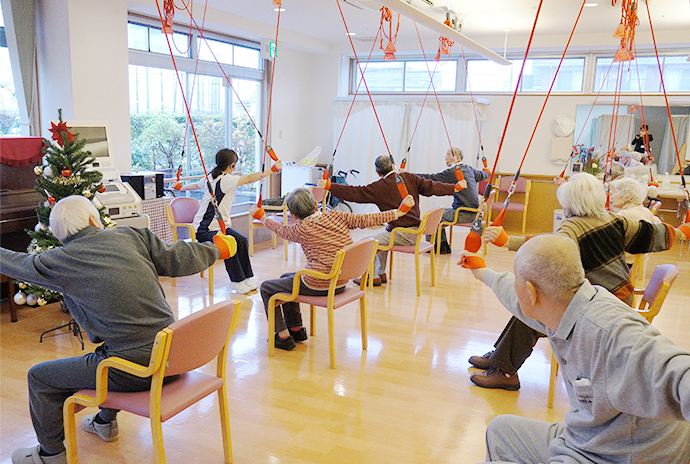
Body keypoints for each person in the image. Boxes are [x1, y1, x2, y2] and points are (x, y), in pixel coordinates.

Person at [1, 195, 232, 464]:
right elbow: (179, 257)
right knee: (111, 351)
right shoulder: (131, 236)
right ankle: (104, 422)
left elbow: (15, 263)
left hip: (136, 370)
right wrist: (216, 250)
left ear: (58, 234)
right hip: (175, 356)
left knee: (41, 377)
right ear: (93, 219)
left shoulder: (60, 260)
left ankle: (50, 455)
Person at [462, 234, 690, 464]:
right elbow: (513, 295)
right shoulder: (562, 303)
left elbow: (682, 375)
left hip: (623, 455)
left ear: (531, 292)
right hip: (591, 438)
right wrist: (482, 272)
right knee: (501, 430)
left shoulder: (611, 333)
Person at [467, 173, 686, 390]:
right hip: (619, 300)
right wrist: (682, 232)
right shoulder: (615, 220)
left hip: (600, 311)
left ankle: (505, 371)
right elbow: (653, 233)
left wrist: (507, 241)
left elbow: (544, 248)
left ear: (570, 204)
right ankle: (500, 358)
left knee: (533, 310)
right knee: (533, 309)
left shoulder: (572, 229)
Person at [251, 188, 415, 350]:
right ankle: (296, 329)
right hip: (340, 280)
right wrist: (399, 212)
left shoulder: (301, 229)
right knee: (287, 278)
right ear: (315, 205)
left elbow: (281, 230)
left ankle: (282, 336)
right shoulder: (336, 216)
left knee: (267, 288)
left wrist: (262, 217)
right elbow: (367, 219)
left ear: (293, 215)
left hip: (318, 284)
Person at [318, 155, 461, 286]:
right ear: (393, 166)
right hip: (414, 232)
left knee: (366, 241)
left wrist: (330, 186)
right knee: (383, 234)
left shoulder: (379, 187)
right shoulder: (408, 177)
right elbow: (431, 186)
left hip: (403, 234)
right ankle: (380, 273)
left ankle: (371, 276)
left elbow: (356, 193)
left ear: (377, 172)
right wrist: (454, 188)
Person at [179, 148, 281, 294]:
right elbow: (250, 178)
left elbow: (195, 185)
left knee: (241, 240)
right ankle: (236, 281)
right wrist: (273, 169)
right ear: (232, 165)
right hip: (204, 230)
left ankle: (246, 278)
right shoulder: (224, 179)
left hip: (219, 228)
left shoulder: (213, 176)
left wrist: (181, 187)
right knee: (229, 243)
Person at [414, 147, 490, 254]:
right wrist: (487, 170)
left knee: (434, 216)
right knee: (440, 214)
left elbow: (433, 178)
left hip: (464, 213)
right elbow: (484, 175)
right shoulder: (468, 169)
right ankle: (442, 246)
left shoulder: (454, 172)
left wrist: (411, 177)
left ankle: (438, 246)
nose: (445, 158)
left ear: (456, 158)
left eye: (448, 155)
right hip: (475, 212)